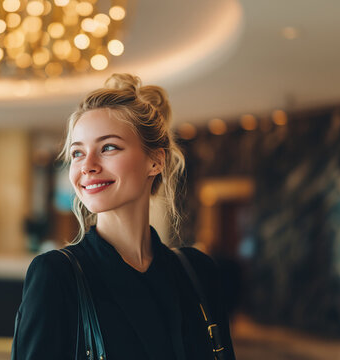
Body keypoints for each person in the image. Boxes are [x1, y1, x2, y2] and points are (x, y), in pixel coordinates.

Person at [12, 74, 236, 360]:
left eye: (108, 147)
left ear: (155, 160)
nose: (88, 166)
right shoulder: (56, 275)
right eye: (77, 153)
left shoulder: (198, 272)